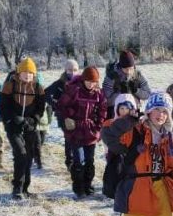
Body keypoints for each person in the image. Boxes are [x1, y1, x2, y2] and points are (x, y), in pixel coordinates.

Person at [0, 57, 46, 200]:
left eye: (30, 72)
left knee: (29, 156)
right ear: (19, 73)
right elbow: (3, 106)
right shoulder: (9, 86)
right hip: (13, 126)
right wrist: (13, 119)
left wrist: (32, 120)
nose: (27, 75)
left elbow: (40, 109)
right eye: (24, 72)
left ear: (34, 74)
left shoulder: (38, 88)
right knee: (20, 154)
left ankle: (25, 188)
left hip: (30, 127)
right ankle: (17, 188)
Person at [58, 66, 106, 198]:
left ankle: (88, 185)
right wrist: (68, 118)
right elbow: (61, 106)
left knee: (90, 160)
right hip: (75, 131)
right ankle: (79, 188)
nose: (91, 84)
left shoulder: (98, 93)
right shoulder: (74, 90)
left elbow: (102, 110)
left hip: (90, 131)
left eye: (94, 82)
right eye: (89, 81)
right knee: (79, 161)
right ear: (84, 80)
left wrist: (98, 126)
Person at [101, 94, 140, 199]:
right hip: (115, 153)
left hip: (130, 153)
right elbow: (107, 140)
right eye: (121, 108)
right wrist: (106, 151)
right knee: (114, 173)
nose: (124, 111)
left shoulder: (136, 123)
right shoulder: (110, 123)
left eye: (127, 108)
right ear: (116, 109)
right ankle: (111, 192)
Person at [45, 58, 80, 170]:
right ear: (65, 70)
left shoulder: (82, 82)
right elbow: (46, 93)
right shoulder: (59, 83)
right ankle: (69, 161)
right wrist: (55, 105)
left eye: (75, 70)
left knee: (77, 138)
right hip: (63, 116)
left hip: (77, 115)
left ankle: (76, 160)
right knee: (69, 138)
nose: (72, 72)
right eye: (70, 70)